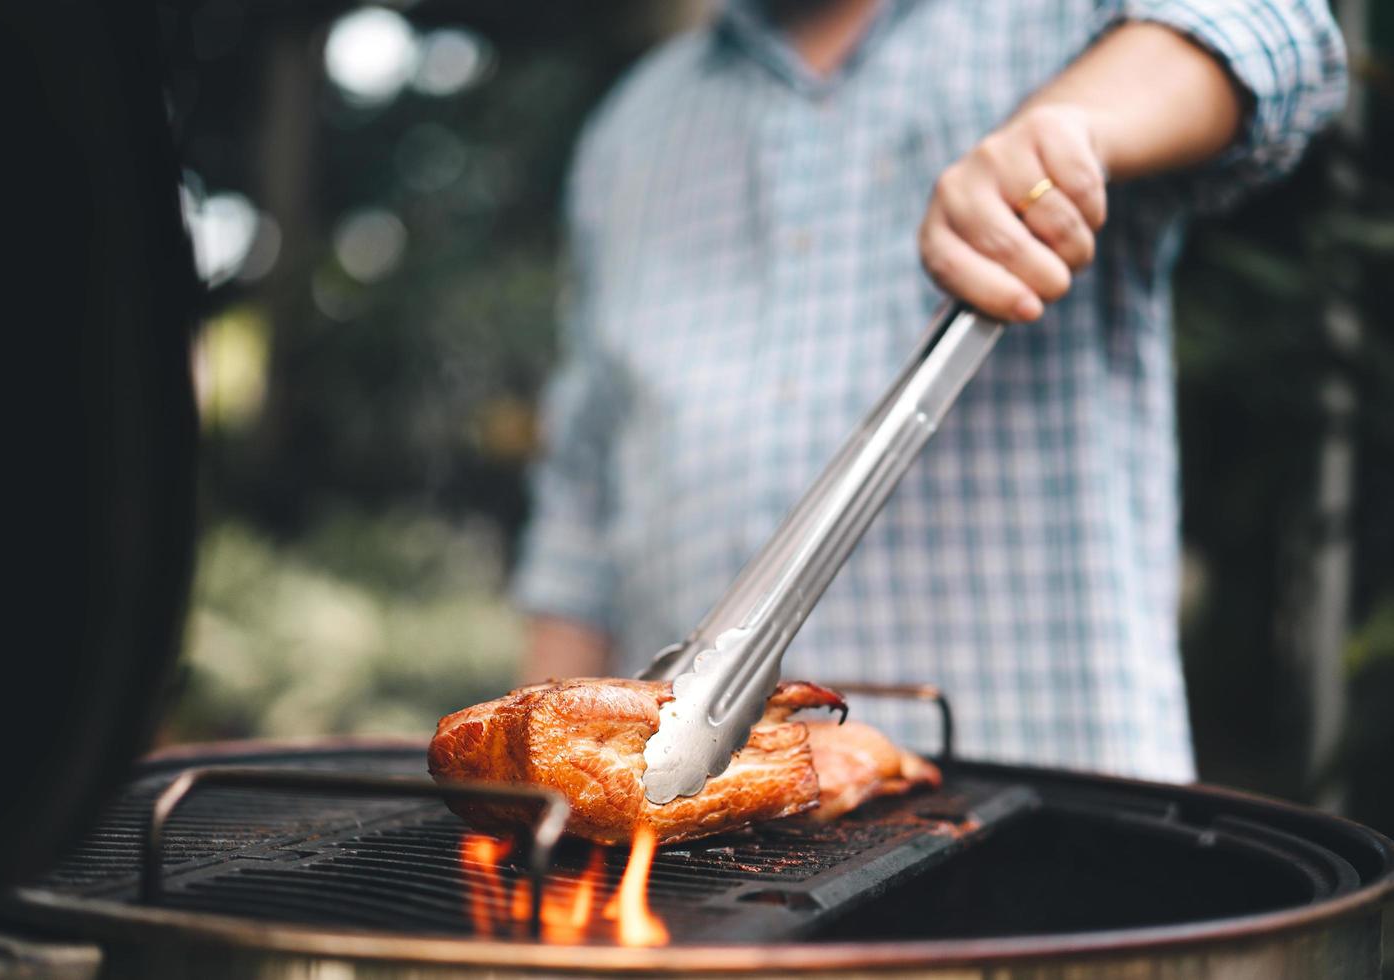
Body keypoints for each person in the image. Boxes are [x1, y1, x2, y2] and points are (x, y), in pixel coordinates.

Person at [513, 0, 1346, 781]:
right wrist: (536, 812)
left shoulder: (1046, 19)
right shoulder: (630, 130)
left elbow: (1274, 31)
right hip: (686, 885)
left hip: (1058, 833)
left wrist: (1067, 128)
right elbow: (580, 521)